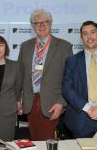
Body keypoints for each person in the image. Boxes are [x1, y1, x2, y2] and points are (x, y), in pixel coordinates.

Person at [18, 9, 72, 140]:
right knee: (35, 141)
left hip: (52, 104)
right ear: (33, 26)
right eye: (37, 23)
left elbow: (69, 79)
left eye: (45, 22)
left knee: (49, 143)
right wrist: (18, 99)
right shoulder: (25, 46)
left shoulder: (64, 46)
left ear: (51, 24)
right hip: (30, 103)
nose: (41, 25)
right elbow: (20, 75)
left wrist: (61, 103)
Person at [62, 21, 97, 138]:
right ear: (81, 38)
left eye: (93, 32)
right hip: (81, 120)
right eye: (85, 34)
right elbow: (67, 89)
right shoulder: (72, 61)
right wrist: (88, 108)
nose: (89, 37)